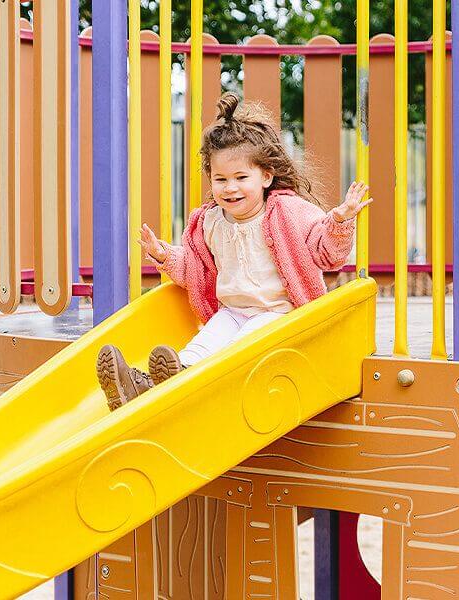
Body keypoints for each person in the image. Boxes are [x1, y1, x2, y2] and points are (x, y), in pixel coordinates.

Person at [96, 93, 372, 411]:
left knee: (238, 348)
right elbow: (196, 270)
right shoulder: (209, 221)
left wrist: (340, 220)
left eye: (241, 178)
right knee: (202, 346)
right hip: (230, 312)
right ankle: (154, 386)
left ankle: (174, 389)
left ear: (266, 176)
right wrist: (162, 254)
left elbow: (327, 254)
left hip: (278, 315)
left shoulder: (288, 211)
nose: (230, 188)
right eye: (221, 179)